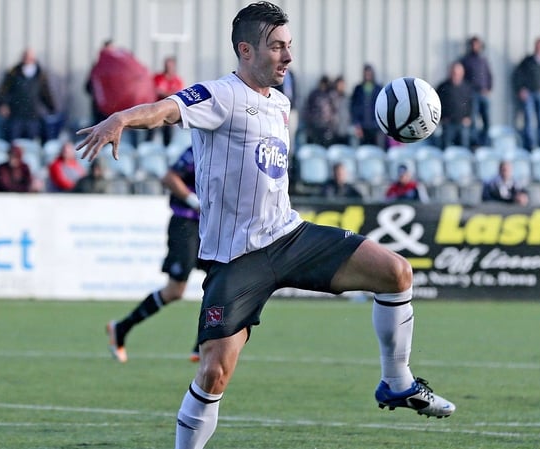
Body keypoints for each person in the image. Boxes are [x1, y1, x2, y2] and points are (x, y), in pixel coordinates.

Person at [75, 3, 455, 448]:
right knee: (214, 371)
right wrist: (123, 117)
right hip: (238, 259)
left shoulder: (280, 102)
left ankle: (397, 381)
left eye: (289, 46)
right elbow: (166, 109)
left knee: (396, 273)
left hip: (289, 235)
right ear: (246, 51)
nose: (288, 56)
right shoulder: (221, 95)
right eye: (277, 47)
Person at [106, 146, 203, 364]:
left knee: (220, 278)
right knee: (176, 290)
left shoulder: (229, 148)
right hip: (186, 224)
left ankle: (203, 344)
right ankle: (121, 328)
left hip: (211, 225)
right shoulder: (198, 149)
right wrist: (194, 201)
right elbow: (169, 177)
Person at [0, 48, 57, 142]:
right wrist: (2, 104)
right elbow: (4, 90)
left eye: (29, 57)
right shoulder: (13, 72)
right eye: (25, 56)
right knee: (13, 142)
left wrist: (52, 108)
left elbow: (45, 93)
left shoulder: (40, 74)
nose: (27, 59)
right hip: (16, 114)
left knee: (31, 143)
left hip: (32, 115)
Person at [512, 37, 540, 150]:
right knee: (528, 118)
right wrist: (521, 89)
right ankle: (530, 144)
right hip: (529, 93)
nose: (538, 48)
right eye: (536, 46)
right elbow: (517, 75)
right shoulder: (528, 61)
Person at [460, 36, 493, 147]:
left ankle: (485, 141)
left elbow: (489, 75)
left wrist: (488, 88)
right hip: (472, 94)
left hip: (483, 93)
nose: (475, 47)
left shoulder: (483, 60)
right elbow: (462, 79)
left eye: (477, 44)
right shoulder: (465, 60)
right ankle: (475, 142)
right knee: (473, 120)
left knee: (486, 119)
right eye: (473, 44)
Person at [147, 56, 185, 146]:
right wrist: (170, 94)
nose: (168, 67)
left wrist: (165, 93)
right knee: (150, 135)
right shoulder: (158, 77)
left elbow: (179, 94)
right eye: (167, 65)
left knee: (167, 139)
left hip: (169, 114)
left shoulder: (177, 80)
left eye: (170, 65)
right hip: (155, 111)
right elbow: (156, 91)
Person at [436, 61, 473, 149]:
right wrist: (441, 118)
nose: (455, 75)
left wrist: (469, 117)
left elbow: (472, 104)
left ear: (462, 74)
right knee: (446, 147)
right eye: (453, 73)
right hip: (448, 124)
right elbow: (435, 104)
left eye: (457, 73)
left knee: (464, 149)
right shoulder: (442, 87)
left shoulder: (467, 87)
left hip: (462, 123)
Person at [350, 64, 385, 148]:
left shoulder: (378, 88)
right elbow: (354, 108)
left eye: (369, 73)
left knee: (376, 149)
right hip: (362, 127)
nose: (368, 75)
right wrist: (357, 124)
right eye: (366, 73)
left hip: (375, 127)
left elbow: (383, 108)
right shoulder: (358, 89)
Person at [302, 75, 336, 146]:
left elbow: (333, 110)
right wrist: (309, 123)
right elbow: (307, 109)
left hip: (326, 126)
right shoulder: (314, 94)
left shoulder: (330, 94)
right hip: (315, 125)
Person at [330, 76, 352, 145]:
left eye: (343, 84)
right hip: (334, 131)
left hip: (344, 130)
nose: (342, 86)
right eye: (340, 84)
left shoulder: (347, 98)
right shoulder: (332, 97)